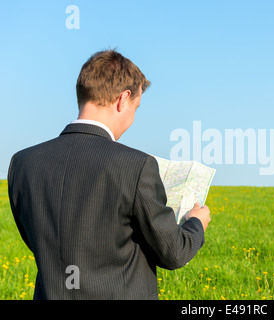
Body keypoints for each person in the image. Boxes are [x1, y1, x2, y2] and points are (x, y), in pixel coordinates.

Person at [7, 49, 211, 300]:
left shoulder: (22, 163)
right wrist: (196, 223)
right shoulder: (137, 166)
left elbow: (38, 242)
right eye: (136, 107)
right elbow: (174, 253)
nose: (133, 117)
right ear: (123, 99)